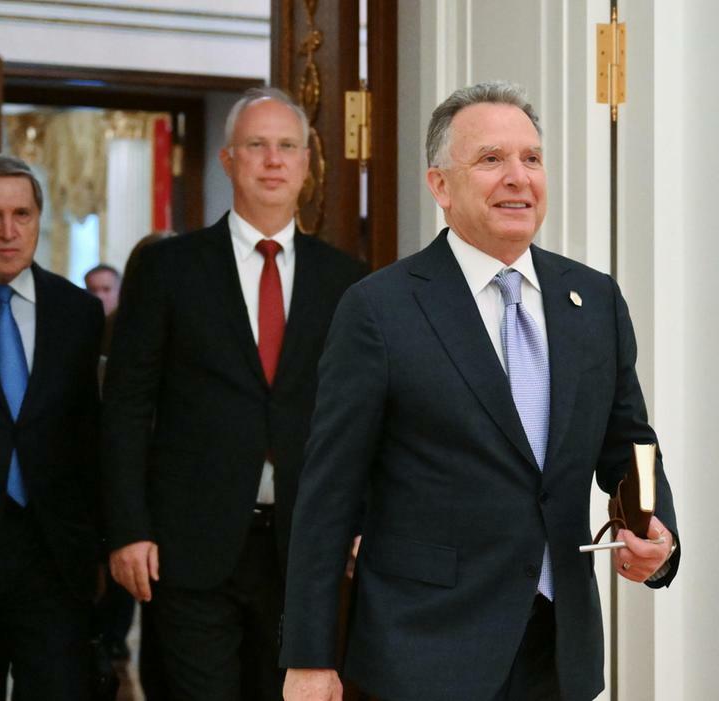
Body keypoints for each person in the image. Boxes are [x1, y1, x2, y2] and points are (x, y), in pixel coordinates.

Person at [280, 81, 682, 701]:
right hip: (426, 650)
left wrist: (658, 532)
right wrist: (309, 656)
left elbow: (630, 443)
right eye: (491, 159)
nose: (518, 178)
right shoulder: (381, 309)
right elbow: (328, 494)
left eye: (532, 158)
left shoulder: (593, 299)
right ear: (440, 185)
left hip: (559, 650)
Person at [101, 86, 366, 701]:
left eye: (287, 147)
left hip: (304, 549)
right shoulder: (170, 270)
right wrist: (127, 528)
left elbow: (363, 418)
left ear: (307, 164)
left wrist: (362, 520)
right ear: (228, 160)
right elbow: (126, 408)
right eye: (256, 145)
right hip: (188, 546)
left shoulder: (346, 281)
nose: (273, 160)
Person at [0, 154, 105, 700]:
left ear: (38, 219)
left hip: (54, 552)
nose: (7, 231)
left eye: (21, 214)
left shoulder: (78, 313)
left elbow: (91, 435)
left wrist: (99, 544)